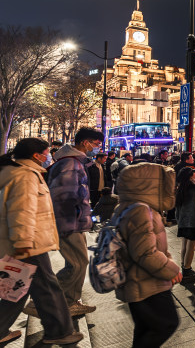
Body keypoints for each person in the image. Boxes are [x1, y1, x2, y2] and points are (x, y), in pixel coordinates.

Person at [0, 138, 84, 345]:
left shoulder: (17, 172)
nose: (48, 155)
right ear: (36, 155)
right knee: (48, 287)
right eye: (46, 152)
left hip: (21, 241)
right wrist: (23, 242)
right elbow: (22, 210)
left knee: (18, 289)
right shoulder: (25, 176)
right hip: (27, 243)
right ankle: (60, 332)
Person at [113, 162, 182, 347]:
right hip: (145, 282)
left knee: (146, 328)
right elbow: (145, 253)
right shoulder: (140, 210)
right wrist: (172, 269)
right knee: (166, 324)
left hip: (139, 281)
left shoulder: (129, 206)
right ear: (148, 185)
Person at [47, 127, 103, 316]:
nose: (97, 148)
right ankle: (50, 301)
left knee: (78, 263)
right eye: (96, 144)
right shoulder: (70, 164)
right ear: (85, 142)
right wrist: (74, 220)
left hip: (72, 221)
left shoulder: (72, 162)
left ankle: (68, 301)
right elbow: (65, 196)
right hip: (69, 222)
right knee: (78, 263)